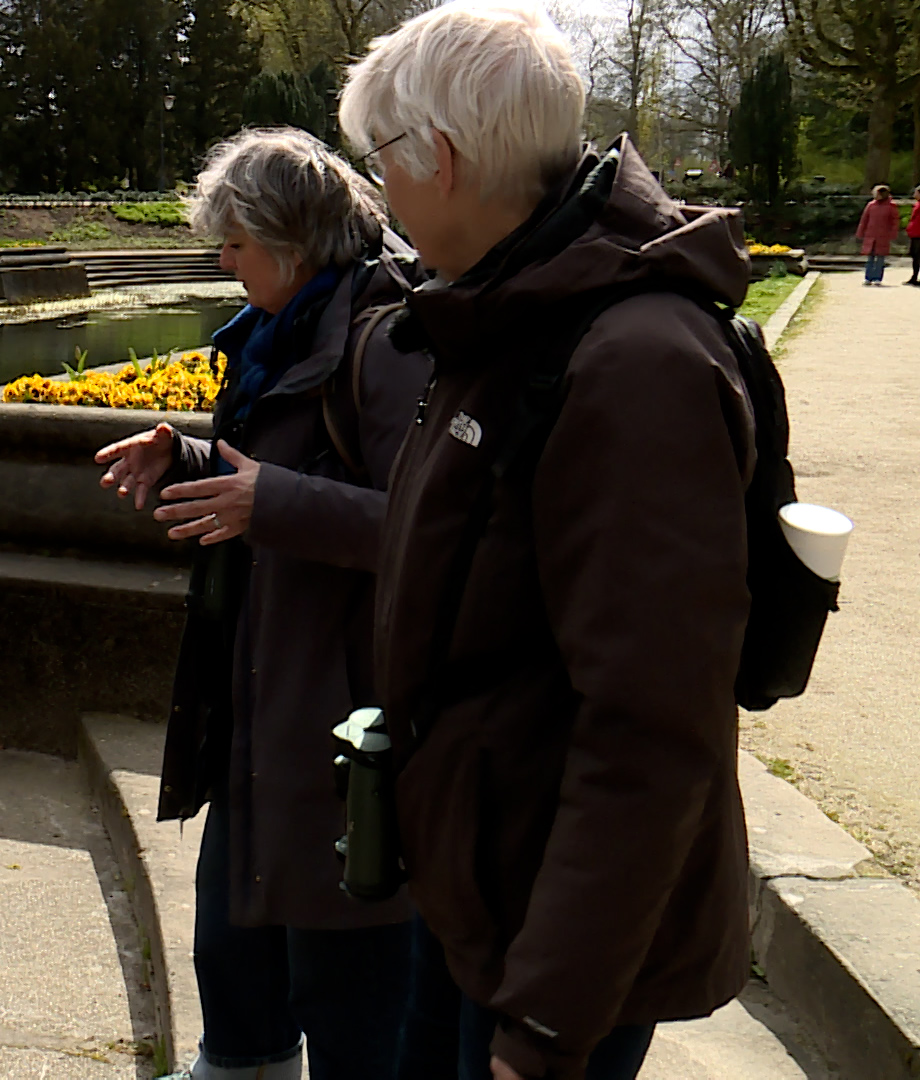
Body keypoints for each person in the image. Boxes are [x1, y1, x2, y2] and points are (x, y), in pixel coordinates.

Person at [339, 3, 755, 1078]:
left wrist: (552, 1020)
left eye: (382, 158)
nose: (380, 190)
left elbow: (654, 725)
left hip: (554, 939)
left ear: (439, 158)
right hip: (483, 881)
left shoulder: (631, 362)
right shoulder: (513, 305)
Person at [95, 128, 432, 1080]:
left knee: (352, 973)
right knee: (234, 945)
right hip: (267, 703)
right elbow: (286, 473)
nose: (222, 260)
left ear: (291, 240)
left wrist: (269, 502)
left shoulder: (389, 336)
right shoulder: (284, 332)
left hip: (343, 724)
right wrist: (193, 460)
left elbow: (435, 527)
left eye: (236, 242)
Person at [858, 184, 899, 285]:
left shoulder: (891, 206)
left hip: (883, 235)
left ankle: (877, 278)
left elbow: (895, 221)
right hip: (871, 234)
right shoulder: (871, 205)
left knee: (880, 258)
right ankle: (868, 277)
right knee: (870, 257)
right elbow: (864, 219)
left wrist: (893, 233)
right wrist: (861, 231)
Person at [905, 185, 920, 285]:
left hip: (918, 234)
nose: (914, 194)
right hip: (915, 233)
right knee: (915, 256)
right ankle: (914, 276)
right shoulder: (917, 204)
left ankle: (915, 277)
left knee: (917, 256)